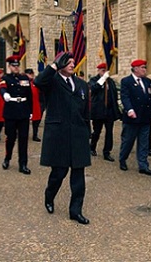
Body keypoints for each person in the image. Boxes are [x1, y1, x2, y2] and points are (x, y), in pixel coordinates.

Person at [34, 52, 91, 225]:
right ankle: (49, 196)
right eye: (68, 62)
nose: (73, 65)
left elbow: (85, 110)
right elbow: (38, 82)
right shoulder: (52, 81)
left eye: (74, 62)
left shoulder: (81, 84)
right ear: (60, 64)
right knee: (58, 173)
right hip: (59, 135)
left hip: (78, 135)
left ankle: (76, 211)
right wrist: (53, 66)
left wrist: (87, 132)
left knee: (79, 177)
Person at [119, 59, 151, 175]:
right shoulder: (126, 81)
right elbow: (125, 97)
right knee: (128, 141)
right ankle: (123, 158)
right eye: (142, 67)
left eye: (145, 67)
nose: (144, 70)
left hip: (144, 117)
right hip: (132, 117)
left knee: (144, 143)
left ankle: (143, 165)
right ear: (135, 68)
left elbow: (149, 99)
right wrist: (129, 109)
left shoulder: (148, 81)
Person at [0, 55, 33, 175]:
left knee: (23, 139)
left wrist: (31, 111)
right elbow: (2, 88)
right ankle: (7, 158)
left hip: (23, 110)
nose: (16, 67)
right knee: (11, 138)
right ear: (9, 66)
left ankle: (23, 164)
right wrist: (5, 94)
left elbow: (29, 95)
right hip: (11, 111)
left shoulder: (24, 78)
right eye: (14, 66)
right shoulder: (5, 78)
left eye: (17, 65)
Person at [89, 62, 121, 162]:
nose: (104, 72)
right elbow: (93, 89)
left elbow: (113, 95)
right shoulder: (94, 80)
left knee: (109, 132)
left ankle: (107, 152)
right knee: (97, 131)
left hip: (109, 111)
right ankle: (92, 147)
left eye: (105, 71)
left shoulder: (110, 82)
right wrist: (102, 80)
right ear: (98, 71)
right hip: (98, 111)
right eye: (102, 71)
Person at [24, 68, 44, 142]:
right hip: (26, 104)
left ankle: (35, 135)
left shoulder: (35, 82)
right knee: (24, 122)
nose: (30, 76)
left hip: (35, 104)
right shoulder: (24, 82)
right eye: (28, 74)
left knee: (36, 122)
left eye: (30, 74)